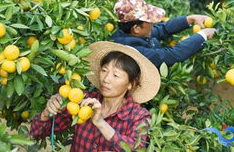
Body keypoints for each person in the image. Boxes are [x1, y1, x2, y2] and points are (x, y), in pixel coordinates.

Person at [30, 41, 161, 152]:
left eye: (115, 75)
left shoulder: (138, 116)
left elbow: (135, 148)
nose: (106, 79)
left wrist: (100, 123)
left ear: (130, 84)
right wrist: (47, 113)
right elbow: (36, 134)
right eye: (104, 71)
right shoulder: (84, 100)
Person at [111, 0, 217, 68]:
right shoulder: (131, 52)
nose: (152, 23)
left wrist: (189, 19)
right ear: (136, 28)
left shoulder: (130, 33)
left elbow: (163, 29)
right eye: (149, 20)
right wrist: (203, 35)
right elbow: (172, 55)